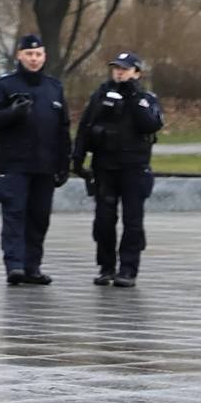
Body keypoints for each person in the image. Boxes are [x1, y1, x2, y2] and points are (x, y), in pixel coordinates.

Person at [0, 32, 69, 286]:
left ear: (44, 56)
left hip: (45, 166)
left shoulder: (54, 87)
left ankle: (32, 267)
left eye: (38, 54)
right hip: (15, 163)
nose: (34, 59)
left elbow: (63, 129)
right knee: (14, 215)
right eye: (29, 54)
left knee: (39, 218)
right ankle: (14, 265)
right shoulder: (3, 85)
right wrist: (11, 113)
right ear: (19, 55)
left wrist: (64, 164)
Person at [72, 50, 164, 288]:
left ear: (137, 73)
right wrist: (77, 158)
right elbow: (86, 127)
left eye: (125, 69)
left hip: (134, 169)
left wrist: (133, 97)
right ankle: (106, 267)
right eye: (116, 68)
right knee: (103, 221)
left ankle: (128, 269)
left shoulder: (145, 98)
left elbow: (150, 124)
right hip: (105, 168)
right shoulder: (101, 95)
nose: (119, 72)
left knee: (133, 222)